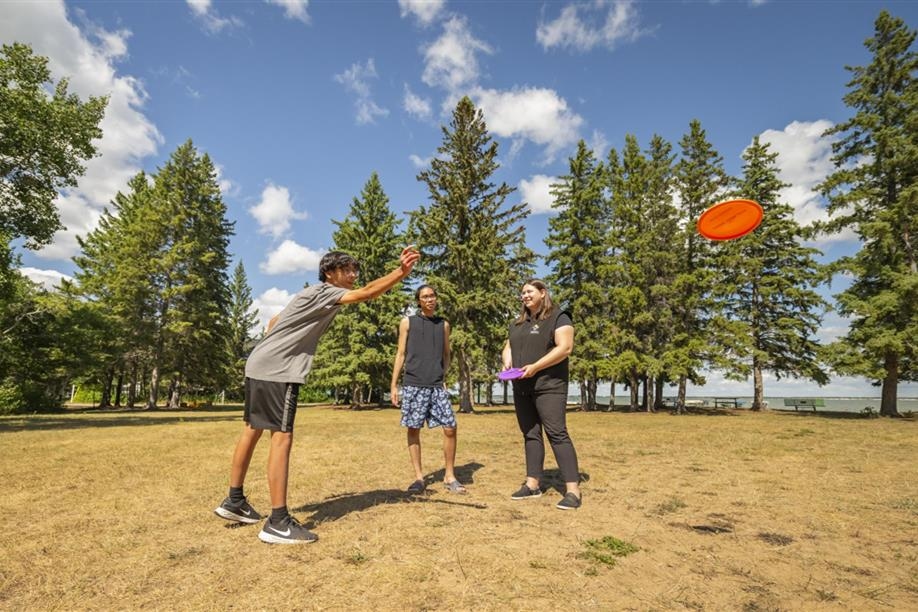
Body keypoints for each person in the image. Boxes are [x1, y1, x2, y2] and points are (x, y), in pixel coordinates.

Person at [214, 246, 420, 544]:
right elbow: (367, 293)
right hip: (278, 370)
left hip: (259, 363)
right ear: (330, 273)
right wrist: (401, 272)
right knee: (281, 436)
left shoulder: (308, 295)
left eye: (354, 270)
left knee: (252, 429)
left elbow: (273, 323)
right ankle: (278, 522)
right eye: (347, 270)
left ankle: (234, 501)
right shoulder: (325, 291)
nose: (353, 275)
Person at [501, 279, 582, 510]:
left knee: (557, 434)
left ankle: (573, 491)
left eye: (529, 292)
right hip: (521, 387)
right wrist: (507, 361)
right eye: (522, 293)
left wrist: (535, 366)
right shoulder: (518, 323)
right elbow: (508, 346)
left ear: (542, 292)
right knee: (530, 434)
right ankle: (532, 484)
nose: (524, 296)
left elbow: (565, 348)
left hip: (549, 385)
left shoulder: (558, 316)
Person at [390, 284, 466, 494]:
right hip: (414, 384)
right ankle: (418, 478)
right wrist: (394, 384)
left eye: (432, 296)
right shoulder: (408, 322)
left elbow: (446, 354)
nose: (430, 299)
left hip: (436, 385)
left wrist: (443, 376)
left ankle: (450, 476)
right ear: (419, 301)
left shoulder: (444, 325)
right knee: (413, 429)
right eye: (425, 297)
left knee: (450, 427)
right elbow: (401, 354)